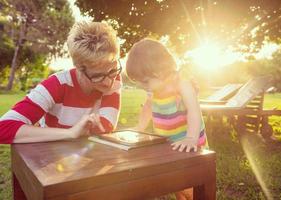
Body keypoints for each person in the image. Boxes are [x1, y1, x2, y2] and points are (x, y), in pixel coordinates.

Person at [0, 21, 122, 199]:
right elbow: (4, 128)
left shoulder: (113, 77)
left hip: (83, 160)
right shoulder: (56, 84)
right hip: (46, 161)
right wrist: (71, 133)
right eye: (97, 75)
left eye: (112, 70)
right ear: (79, 69)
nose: (108, 82)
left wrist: (88, 130)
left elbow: (107, 125)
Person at [126, 38, 208, 200]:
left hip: (191, 145)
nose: (143, 86)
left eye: (145, 81)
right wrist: (140, 127)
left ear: (159, 72)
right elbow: (148, 107)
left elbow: (194, 110)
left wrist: (191, 138)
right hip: (171, 144)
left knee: (191, 185)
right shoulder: (154, 89)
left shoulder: (182, 83)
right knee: (178, 184)